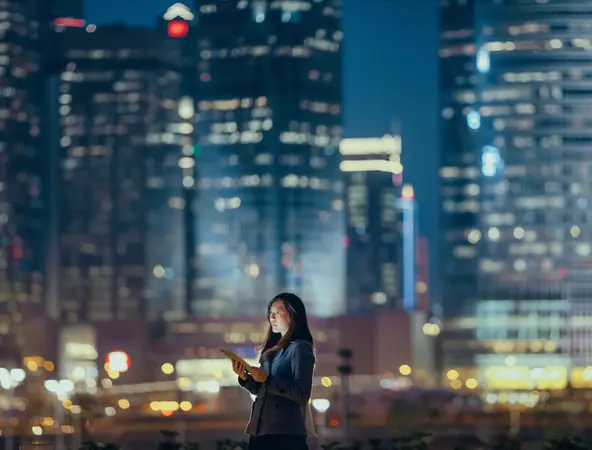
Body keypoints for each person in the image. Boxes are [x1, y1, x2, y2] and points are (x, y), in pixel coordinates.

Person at [231, 292, 316, 450]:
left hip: (285, 433)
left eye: (278, 313)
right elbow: (263, 390)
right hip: (260, 429)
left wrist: (268, 379)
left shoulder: (300, 348)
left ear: (293, 315)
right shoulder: (271, 351)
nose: (272, 318)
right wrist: (245, 378)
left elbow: (302, 394)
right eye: (270, 313)